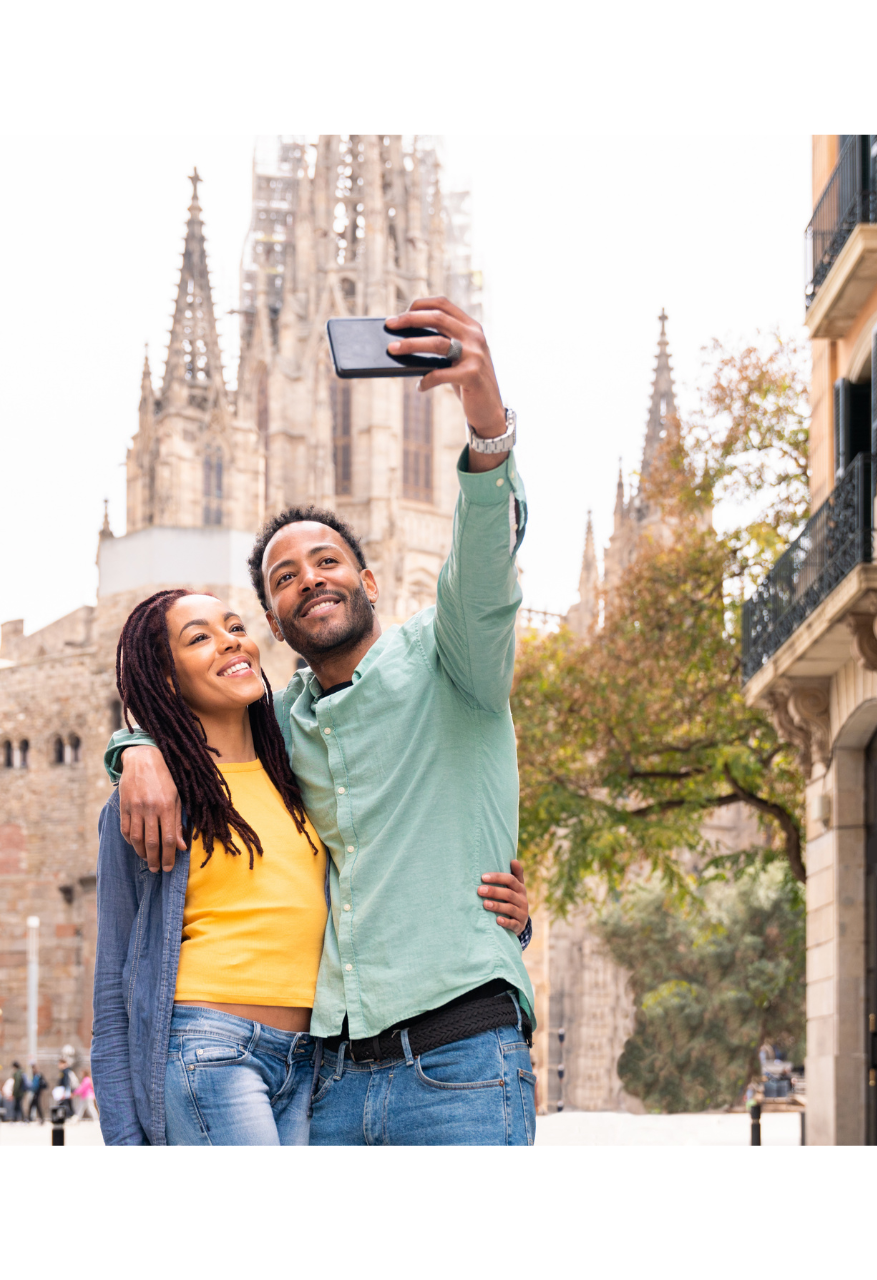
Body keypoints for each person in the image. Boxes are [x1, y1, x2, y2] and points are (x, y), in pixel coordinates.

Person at [108, 296, 540, 1145]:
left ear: (370, 582)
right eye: (284, 576)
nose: (309, 579)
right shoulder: (284, 729)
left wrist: (485, 417)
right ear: (273, 619)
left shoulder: (456, 659)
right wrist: (138, 747)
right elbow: (193, 713)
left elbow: (488, 558)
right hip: (328, 1082)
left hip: (460, 1064)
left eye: (327, 561)